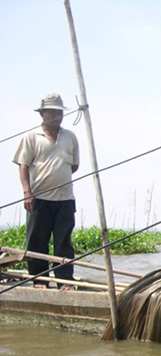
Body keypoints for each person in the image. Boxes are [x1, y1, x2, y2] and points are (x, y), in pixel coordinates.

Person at [12, 93, 80, 290]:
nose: (56, 116)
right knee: (37, 241)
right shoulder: (32, 137)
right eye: (52, 112)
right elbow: (23, 165)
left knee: (64, 242)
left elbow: (74, 166)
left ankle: (64, 281)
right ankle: (39, 280)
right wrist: (27, 191)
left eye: (59, 113)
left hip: (65, 198)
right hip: (39, 198)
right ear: (42, 114)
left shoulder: (70, 137)